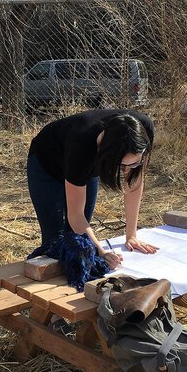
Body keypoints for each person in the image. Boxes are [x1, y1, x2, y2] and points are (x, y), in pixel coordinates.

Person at [27, 108, 159, 272]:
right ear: (106, 154)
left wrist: (131, 235)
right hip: (47, 163)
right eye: (122, 166)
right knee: (56, 242)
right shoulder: (81, 143)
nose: (127, 170)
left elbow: (133, 183)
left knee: (79, 240)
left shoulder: (144, 129)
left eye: (134, 164)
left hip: (85, 164)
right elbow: (76, 216)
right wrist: (101, 252)